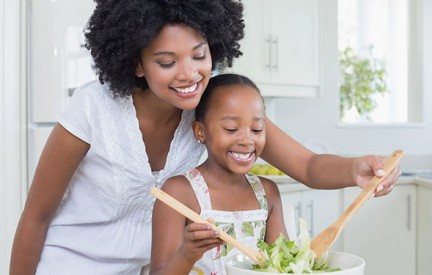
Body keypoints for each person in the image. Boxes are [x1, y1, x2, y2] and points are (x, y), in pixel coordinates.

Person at [10, 0, 400, 274]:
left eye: (199, 55)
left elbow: (309, 166)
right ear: (137, 64)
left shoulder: (212, 107)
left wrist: (357, 169)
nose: (189, 74)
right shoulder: (93, 108)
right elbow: (36, 217)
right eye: (167, 62)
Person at [150, 73, 288, 274]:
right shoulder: (178, 193)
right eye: (231, 129)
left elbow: (284, 266)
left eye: (257, 129)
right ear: (200, 131)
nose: (247, 140)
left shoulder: (267, 193)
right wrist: (187, 254)